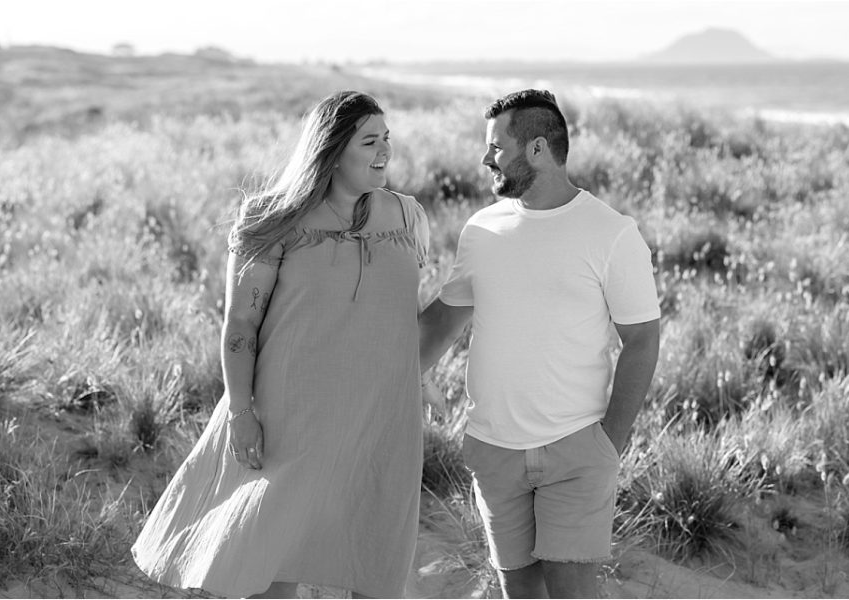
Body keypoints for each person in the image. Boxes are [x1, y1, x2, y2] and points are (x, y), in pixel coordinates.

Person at [132, 91, 430, 599]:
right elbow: (241, 323)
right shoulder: (270, 218)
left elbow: (402, 321)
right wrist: (241, 412)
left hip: (381, 418)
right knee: (275, 560)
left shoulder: (408, 217)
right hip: (292, 416)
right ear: (333, 150)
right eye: (370, 141)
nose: (385, 151)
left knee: (374, 557)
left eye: (387, 139)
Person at [419, 89, 660, 599]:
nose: (486, 158)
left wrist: (608, 444)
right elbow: (440, 323)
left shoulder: (612, 234)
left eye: (496, 147)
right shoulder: (482, 229)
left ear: (536, 150)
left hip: (576, 449)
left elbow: (641, 339)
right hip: (494, 451)